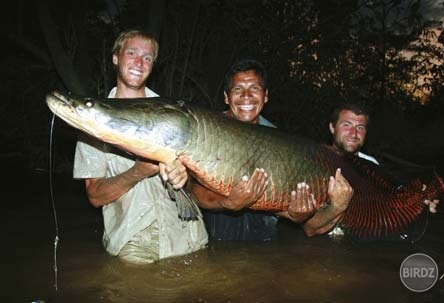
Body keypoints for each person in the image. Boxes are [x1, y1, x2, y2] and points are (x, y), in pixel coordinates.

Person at [73, 29, 208, 264]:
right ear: (116, 57)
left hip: (189, 235)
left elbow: (200, 182)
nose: (139, 62)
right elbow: (95, 196)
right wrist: (139, 171)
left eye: (147, 57)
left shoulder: (175, 116)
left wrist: (183, 177)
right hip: (135, 242)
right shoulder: (93, 121)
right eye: (132, 53)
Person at [187, 59, 353, 241]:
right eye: (237, 89)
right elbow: (190, 189)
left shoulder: (280, 143)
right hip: (214, 235)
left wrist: (298, 214)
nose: (246, 96)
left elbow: (301, 222)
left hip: (263, 242)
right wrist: (228, 203)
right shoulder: (207, 129)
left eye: (254, 89)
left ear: (265, 96)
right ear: (226, 97)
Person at [303, 101, 440, 237]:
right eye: (347, 125)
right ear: (332, 128)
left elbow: (390, 210)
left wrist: (422, 204)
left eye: (360, 127)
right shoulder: (311, 159)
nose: (354, 133)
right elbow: (308, 228)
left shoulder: (372, 166)